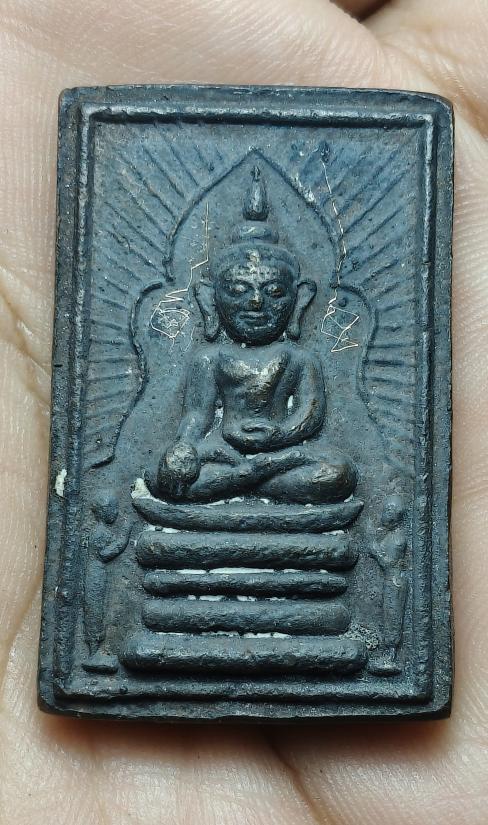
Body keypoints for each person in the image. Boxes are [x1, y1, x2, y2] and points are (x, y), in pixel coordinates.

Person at [1, 0, 484, 822]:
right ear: (212, 301)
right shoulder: (209, 359)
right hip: (227, 471)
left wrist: (268, 449)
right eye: (239, 291)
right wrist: (193, 455)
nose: (255, 303)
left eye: (269, 292)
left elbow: (308, 425)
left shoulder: (299, 357)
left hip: (283, 469)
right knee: (172, 480)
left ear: (298, 301)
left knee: (330, 474)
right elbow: (194, 427)